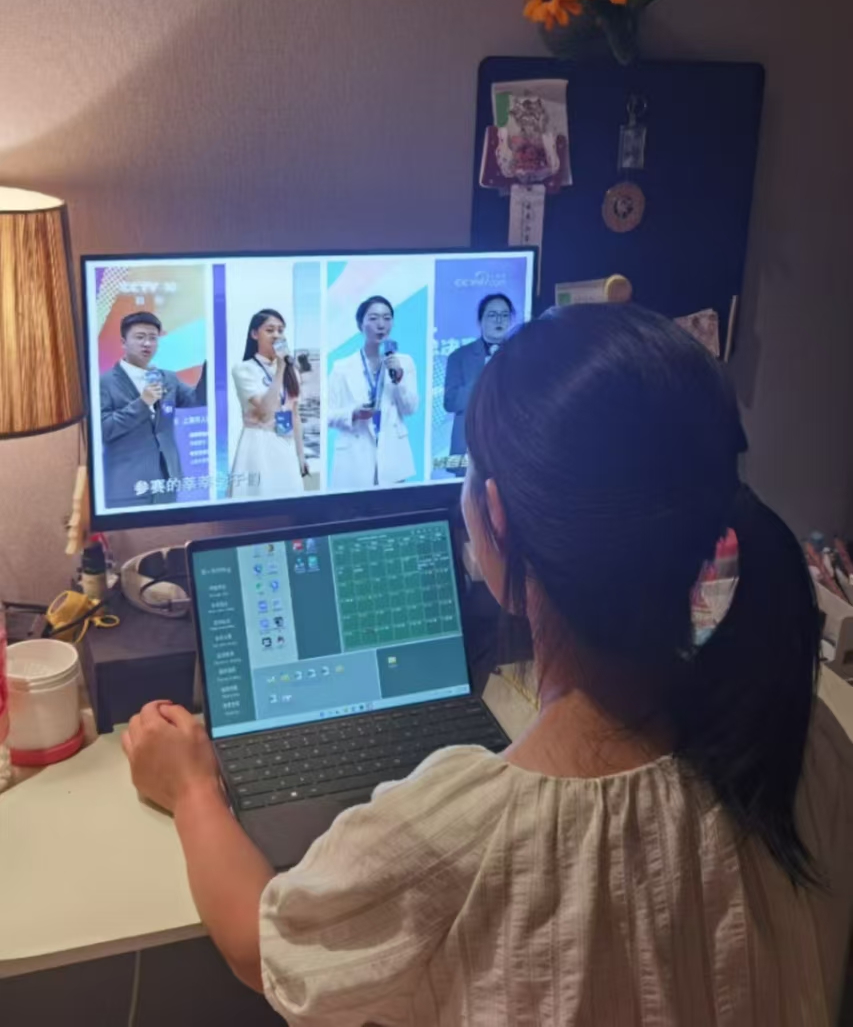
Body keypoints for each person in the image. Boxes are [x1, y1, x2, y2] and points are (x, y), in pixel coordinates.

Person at [121, 305, 853, 1025]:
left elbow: (262, 948)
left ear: (495, 517)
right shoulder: (806, 740)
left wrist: (192, 789)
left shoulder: (452, 839)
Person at [99, 311, 206, 508]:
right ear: (123, 342)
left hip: (166, 480)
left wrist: (211, 367)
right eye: (140, 337)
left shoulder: (167, 378)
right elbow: (103, 429)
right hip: (128, 485)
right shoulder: (104, 383)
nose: (147, 343)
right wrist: (142, 403)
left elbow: (197, 399)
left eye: (153, 338)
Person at [327, 294, 418, 489]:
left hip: (393, 456)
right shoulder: (341, 367)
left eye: (387, 318)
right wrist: (353, 413)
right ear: (360, 324)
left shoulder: (404, 363)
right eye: (374, 318)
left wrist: (399, 379)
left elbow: (410, 409)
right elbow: (326, 415)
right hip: (354, 456)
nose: (381, 325)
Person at [229, 309, 308, 499]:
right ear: (254, 334)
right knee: (258, 501)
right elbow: (265, 410)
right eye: (270, 330)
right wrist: (280, 369)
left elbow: (295, 415)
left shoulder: (292, 372)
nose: (276, 335)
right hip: (258, 445)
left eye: (281, 330)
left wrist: (300, 454)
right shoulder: (244, 369)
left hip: (285, 445)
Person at [443, 292, 515, 475]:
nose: (499, 320)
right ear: (480, 321)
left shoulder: (521, 355)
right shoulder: (459, 357)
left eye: (504, 315)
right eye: (492, 315)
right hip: (469, 447)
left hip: (510, 448)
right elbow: (450, 402)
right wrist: (484, 373)